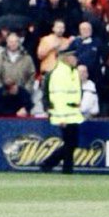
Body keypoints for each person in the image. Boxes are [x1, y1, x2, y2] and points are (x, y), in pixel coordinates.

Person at [40, 41, 83, 174]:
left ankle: (67, 169)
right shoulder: (59, 73)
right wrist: (61, 116)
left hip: (73, 112)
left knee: (70, 142)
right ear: (66, 57)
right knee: (71, 143)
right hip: (65, 113)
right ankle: (48, 163)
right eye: (73, 56)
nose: (76, 58)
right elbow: (57, 96)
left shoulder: (72, 71)